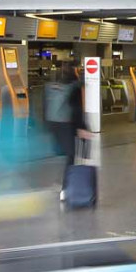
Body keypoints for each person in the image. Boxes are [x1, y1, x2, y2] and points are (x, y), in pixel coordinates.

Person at [45, 63, 93, 196]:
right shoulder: (75, 87)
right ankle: (66, 185)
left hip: (54, 123)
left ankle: (63, 183)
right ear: (75, 72)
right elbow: (76, 109)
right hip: (67, 123)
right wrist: (82, 127)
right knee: (72, 154)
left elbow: (46, 106)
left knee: (68, 154)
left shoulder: (55, 85)